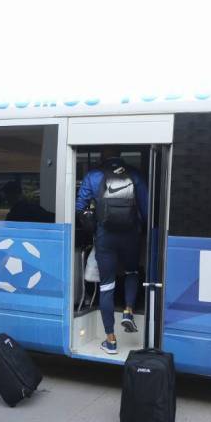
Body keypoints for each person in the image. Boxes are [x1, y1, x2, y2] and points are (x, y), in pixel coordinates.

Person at [75, 148, 148, 354]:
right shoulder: (134, 174)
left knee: (107, 285)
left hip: (105, 236)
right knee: (132, 272)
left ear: (102, 156)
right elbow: (146, 208)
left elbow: (80, 207)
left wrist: (92, 225)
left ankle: (111, 340)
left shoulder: (93, 175)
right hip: (131, 234)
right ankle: (128, 311)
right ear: (120, 154)